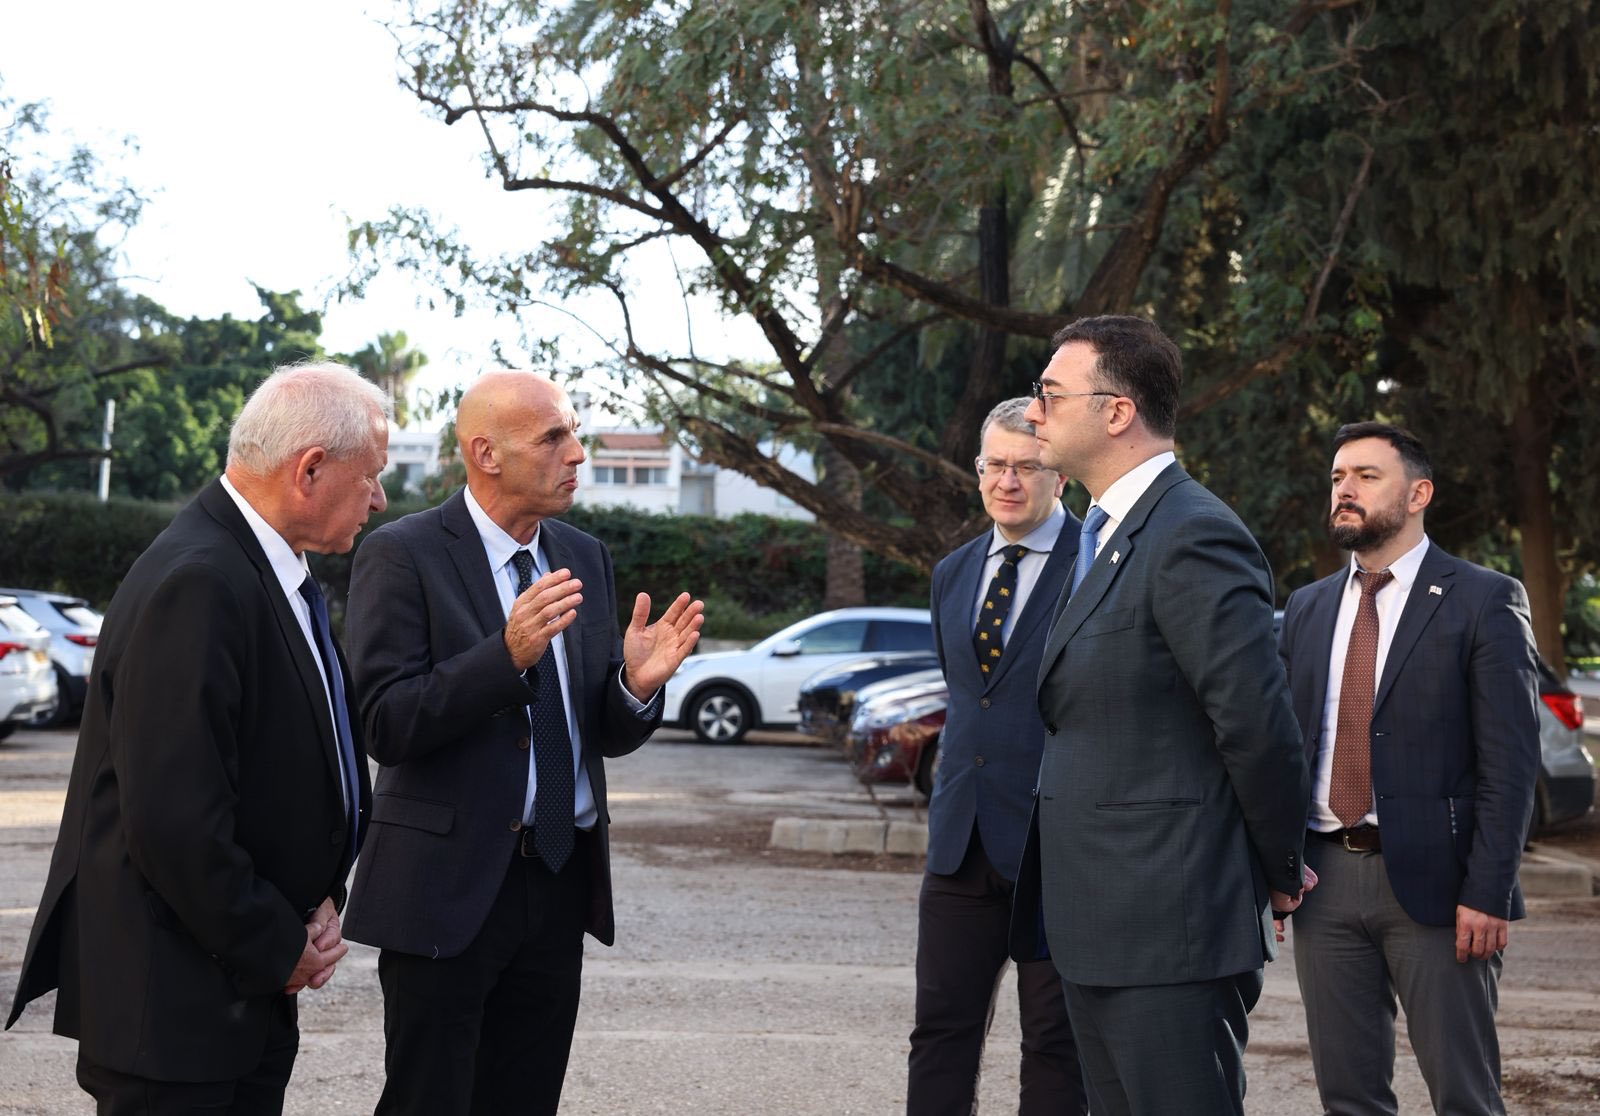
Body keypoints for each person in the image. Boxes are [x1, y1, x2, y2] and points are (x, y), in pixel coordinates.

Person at [5, 362, 388, 1113]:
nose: (378, 497)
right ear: (310, 469)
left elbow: (289, 770)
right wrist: (276, 944)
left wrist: (318, 897)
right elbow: (174, 823)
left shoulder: (269, 568)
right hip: (176, 1013)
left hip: (234, 995)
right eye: (371, 475)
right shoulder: (201, 579)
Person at [340, 369, 704, 1116]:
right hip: (446, 888)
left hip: (558, 876)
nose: (578, 454)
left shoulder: (582, 554)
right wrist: (503, 658)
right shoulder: (402, 553)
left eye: (575, 435)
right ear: (487, 453)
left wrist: (635, 687)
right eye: (553, 438)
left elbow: (596, 730)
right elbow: (383, 723)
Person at [1008, 315, 1311, 1116]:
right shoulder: (1103, 535)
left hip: (1169, 926)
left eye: (1050, 395)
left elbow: (1256, 724)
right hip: (1099, 921)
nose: (1033, 412)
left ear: (1117, 412)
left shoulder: (1193, 533)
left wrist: (1280, 869)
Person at [1276, 422, 1540, 1115]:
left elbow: (1510, 764)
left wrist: (1488, 890)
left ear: (1418, 494)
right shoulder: (1306, 607)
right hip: (1322, 883)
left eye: (1367, 476)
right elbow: (1285, 750)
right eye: (1338, 477)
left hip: (1441, 887)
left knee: (1464, 1096)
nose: (1345, 490)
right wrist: (1274, 866)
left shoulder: (1484, 598)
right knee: (1347, 1096)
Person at [907, 398, 1086, 1114]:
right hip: (960, 843)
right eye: (995, 465)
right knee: (940, 1031)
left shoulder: (1099, 565)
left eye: (1026, 467)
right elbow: (970, 698)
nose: (1008, 481)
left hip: (1059, 845)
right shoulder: (951, 573)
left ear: (1060, 475)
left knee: (1056, 1043)